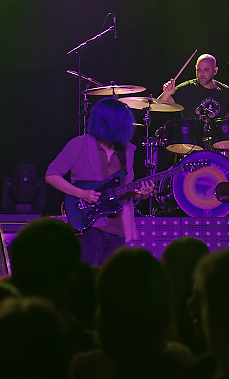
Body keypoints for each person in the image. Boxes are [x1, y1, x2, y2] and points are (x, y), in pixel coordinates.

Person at [45, 97, 153, 265]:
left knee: (110, 278)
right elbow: (51, 175)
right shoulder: (79, 144)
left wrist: (141, 194)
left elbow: (124, 191)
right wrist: (81, 194)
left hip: (118, 228)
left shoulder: (127, 150)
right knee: (87, 274)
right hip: (88, 223)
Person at [160, 54, 229, 120]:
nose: (201, 74)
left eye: (206, 70)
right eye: (198, 69)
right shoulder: (187, 88)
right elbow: (159, 105)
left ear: (215, 71)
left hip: (217, 135)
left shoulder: (225, 91)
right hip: (191, 135)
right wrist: (166, 93)